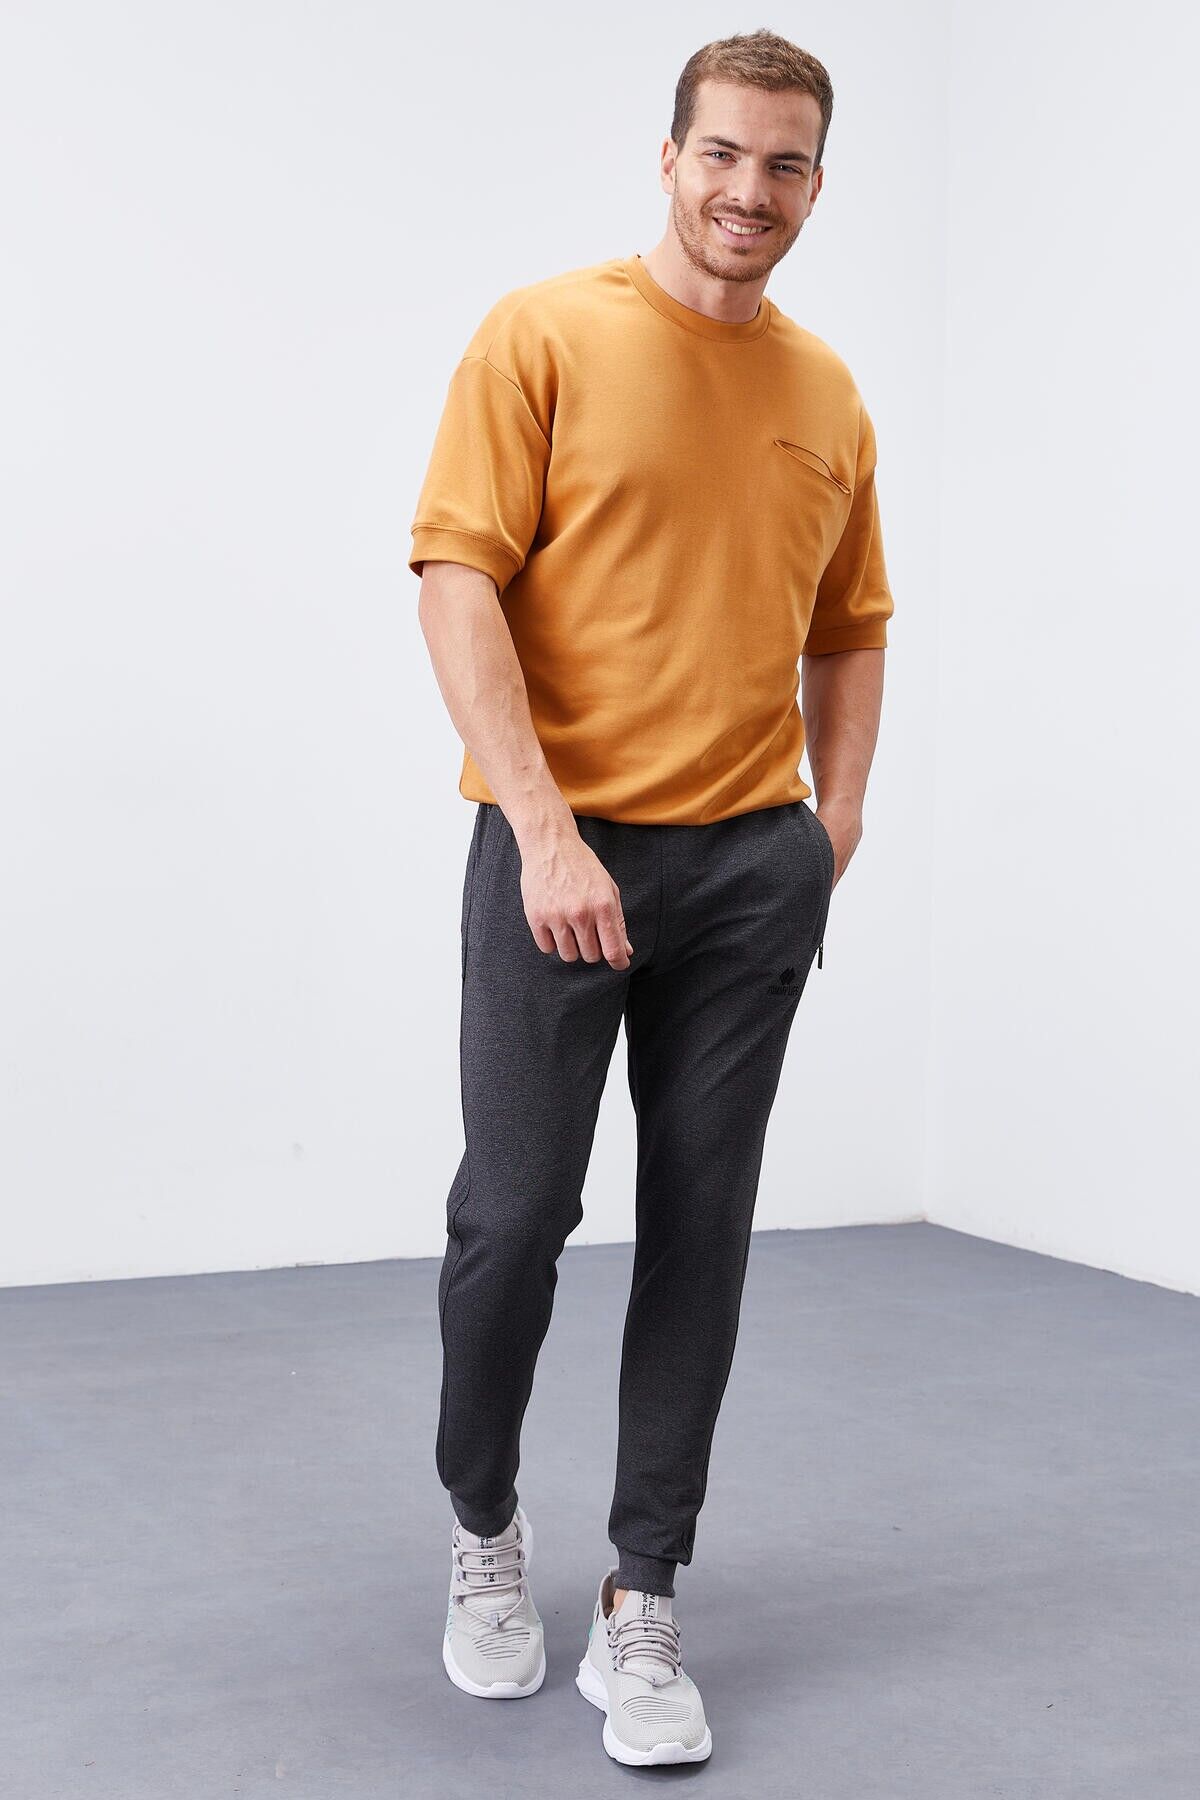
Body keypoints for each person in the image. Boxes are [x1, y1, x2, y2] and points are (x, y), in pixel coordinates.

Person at [408, 27, 894, 1768]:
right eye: (724, 154)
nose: (750, 190)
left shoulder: (828, 394)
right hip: (560, 852)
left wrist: (832, 828)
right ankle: (483, 1522)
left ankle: (644, 1594)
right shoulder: (545, 334)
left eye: (786, 164)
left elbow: (853, 626)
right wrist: (545, 832)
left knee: (704, 1227)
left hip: (751, 872)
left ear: (816, 186)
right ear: (670, 157)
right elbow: (456, 577)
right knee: (513, 1218)